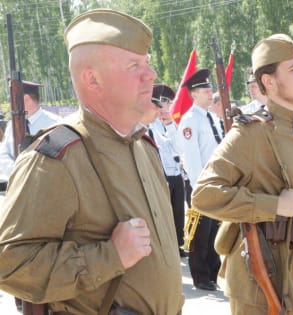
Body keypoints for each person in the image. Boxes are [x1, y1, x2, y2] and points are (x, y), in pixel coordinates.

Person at [0, 8, 183, 315]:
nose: (150, 74)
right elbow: (10, 263)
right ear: (92, 79)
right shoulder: (58, 157)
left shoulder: (144, 147)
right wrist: (110, 256)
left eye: (147, 64)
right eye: (134, 65)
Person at [192, 33, 293, 314]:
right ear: (268, 81)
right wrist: (274, 206)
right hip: (261, 282)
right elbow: (204, 195)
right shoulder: (249, 133)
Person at [179, 68, 222, 291]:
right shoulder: (189, 121)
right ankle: (201, 276)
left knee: (215, 229)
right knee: (199, 232)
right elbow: (192, 158)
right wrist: (199, 189)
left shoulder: (212, 117)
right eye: (205, 89)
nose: (210, 92)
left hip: (215, 183)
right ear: (193, 94)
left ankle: (213, 272)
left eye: (209, 88)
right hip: (200, 185)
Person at [149, 83, 187, 257]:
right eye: (167, 102)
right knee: (163, 213)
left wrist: (171, 125)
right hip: (160, 174)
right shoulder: (149, 124)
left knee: (178, 212)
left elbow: (180, 148)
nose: (169, 106)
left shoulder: (168, 125)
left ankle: (178, 244)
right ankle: (165, 247)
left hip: (175, 174)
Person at [0, 80, 60, 179]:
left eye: (12, 99)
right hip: (16, 183)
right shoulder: (12, 125)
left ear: (26, 99)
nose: (10, 104)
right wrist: (18, 172)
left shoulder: (55, 123)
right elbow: (3, 154)